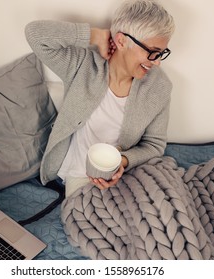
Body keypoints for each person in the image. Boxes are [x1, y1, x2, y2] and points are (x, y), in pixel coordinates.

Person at [25, 0, 175, 197]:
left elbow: (154, 145)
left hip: (124, 176)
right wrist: (93, 35)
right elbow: (35, 34)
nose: (156, 63)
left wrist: (124, 161)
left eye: (161, 54)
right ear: (121, 41)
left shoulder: (159, 87)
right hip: (78, 175)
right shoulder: (83, 65)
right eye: (152, 53)